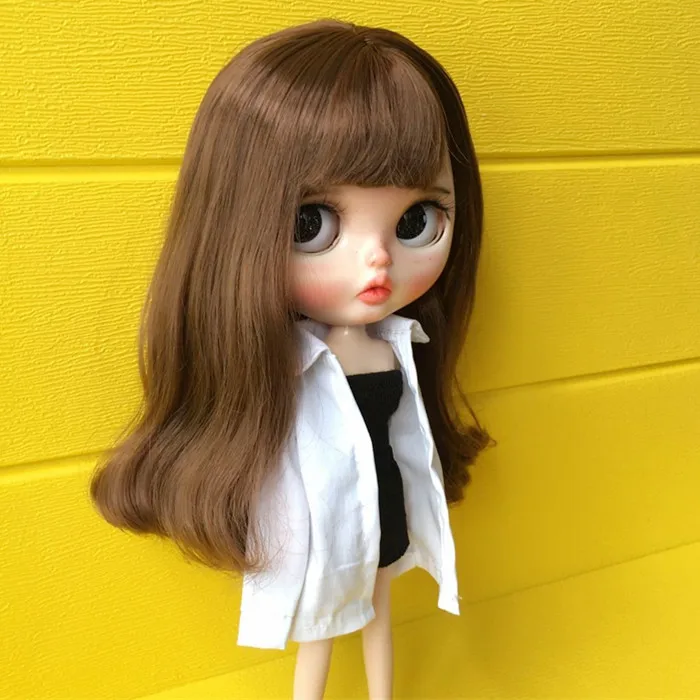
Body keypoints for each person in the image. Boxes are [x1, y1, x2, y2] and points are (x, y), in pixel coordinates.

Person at [90, 19, 493, 699]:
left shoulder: (398, 344)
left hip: (384, 502)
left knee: (380, 609)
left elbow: (406, 437)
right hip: (323, 519)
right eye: (314, 225)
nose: (378, 261)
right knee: (320, 626)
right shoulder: (285, 365)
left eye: (416, 221)